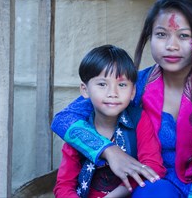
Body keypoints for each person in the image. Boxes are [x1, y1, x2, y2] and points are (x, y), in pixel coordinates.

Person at [52, 0, 192, 198]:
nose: (171, 46)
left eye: (183, 36)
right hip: (157, 183)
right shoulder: (133, 86)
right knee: (153, 189)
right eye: (161, 34)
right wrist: (109, 151)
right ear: (150, 38)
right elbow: (63, 119)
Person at [53, 45, 166, 198]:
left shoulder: (139, 119)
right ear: (85, 90)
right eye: (102, 84)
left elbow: (153, 168)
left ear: (133, 92)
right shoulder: (79, 129)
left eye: (122, 85)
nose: (112, 93)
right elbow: (64, 186)